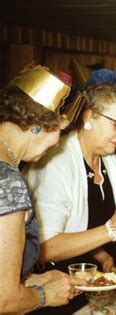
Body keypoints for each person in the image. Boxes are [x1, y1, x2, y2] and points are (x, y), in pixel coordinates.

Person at [23, 70, 116, 312]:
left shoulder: (107, 156)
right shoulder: (57, 162)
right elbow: (44, 248)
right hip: (53, 287)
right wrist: (110, 230)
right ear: (89, 117)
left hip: (90, 280)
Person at [0, 64, 82, 313]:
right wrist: (45, 295)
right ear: (36, 124)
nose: (58, 142)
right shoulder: (7, 181)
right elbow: (4, 299)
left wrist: (32, 280)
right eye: (60, 130)